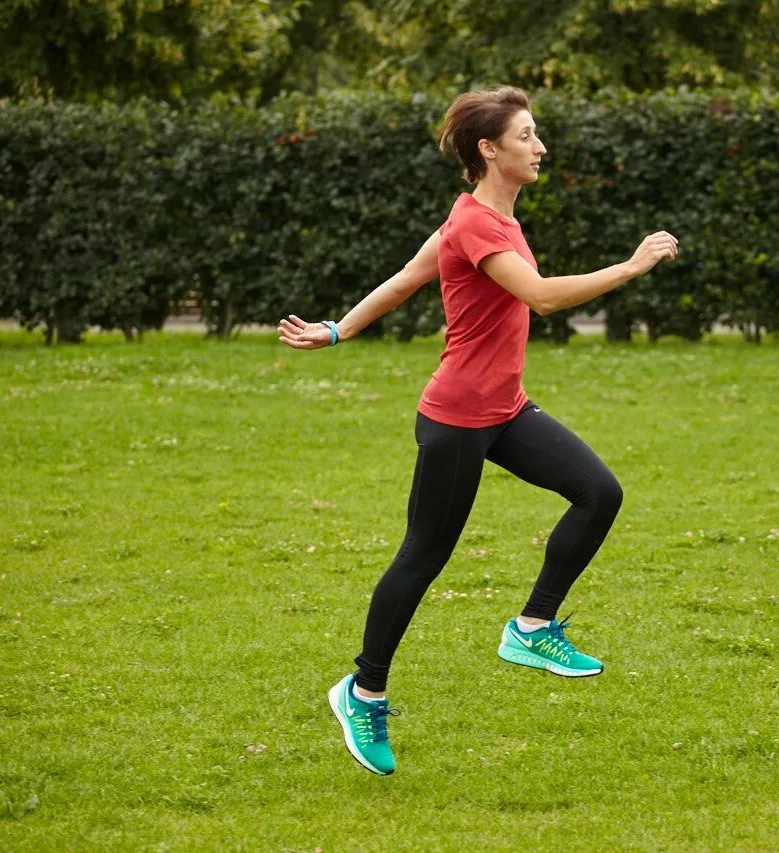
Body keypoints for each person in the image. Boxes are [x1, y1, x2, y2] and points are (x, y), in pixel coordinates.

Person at [277, 85, 678, 775]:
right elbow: (544, 296)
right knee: (423, 555)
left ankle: (531, 626)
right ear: (489, 149)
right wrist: (632, 265)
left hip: (505, 410)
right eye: (526, 135)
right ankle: (362, 689)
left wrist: (339, 327)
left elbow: (405, 281)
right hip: (457, 421)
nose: (540, 146)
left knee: (598, 492)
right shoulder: (478, 227)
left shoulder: (478, 217)